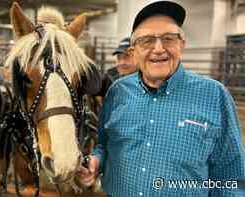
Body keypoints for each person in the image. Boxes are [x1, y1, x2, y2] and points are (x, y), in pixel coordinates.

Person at [76, 1, 245, 196]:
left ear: (182, 45)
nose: (158, 48)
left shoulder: (214, 96)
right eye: (147, 40)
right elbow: (104, 146)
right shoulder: (117, 92)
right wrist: (97, 163)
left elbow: (232, 177)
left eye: (168, 38)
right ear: (134, 51)